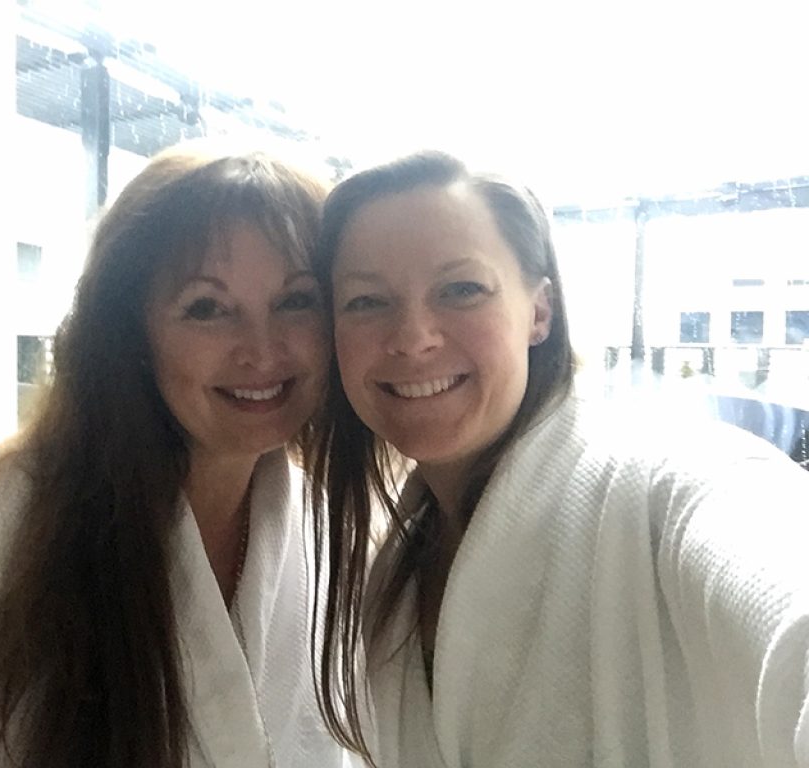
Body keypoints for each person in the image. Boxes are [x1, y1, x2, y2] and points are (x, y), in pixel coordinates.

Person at [0, 144, 347, 768]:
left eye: (296, 300)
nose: (262, 350)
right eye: (207, 308)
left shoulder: (327, 532)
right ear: (130, 333)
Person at [308, 150, 809, 768]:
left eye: (461, 289)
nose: (412, 337)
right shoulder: (398, 565)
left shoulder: (671, 483)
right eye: (366, 301)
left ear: (539, 312)